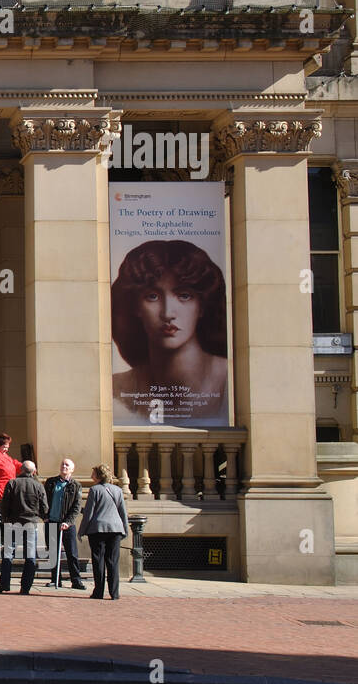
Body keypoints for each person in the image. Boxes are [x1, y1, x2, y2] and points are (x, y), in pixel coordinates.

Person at [111, 240, 228, 425]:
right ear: (136, 308)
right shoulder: (116, 390)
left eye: (184, 295)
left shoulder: (232, 382)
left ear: (202, 306)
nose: (167, 313)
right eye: (152, 296)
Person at [0, 460, 48, 595]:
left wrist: (5, 518)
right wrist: (42, 516)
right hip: (31, 523)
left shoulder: (12, 483)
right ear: (33, 472)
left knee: (8, 554)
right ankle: (26, 587)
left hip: (13, 522)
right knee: (30, 556)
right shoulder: (38, 486)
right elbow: (44, 506)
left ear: (20, 470)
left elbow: (4, 504)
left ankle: (4, 583)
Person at [78, 463, 130, 600]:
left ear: (98, 476)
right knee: (113, 561)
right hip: (115, 529)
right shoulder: (118, 490)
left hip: (97, 529)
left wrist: (82, 530)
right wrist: (125, 528)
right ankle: (114, 592)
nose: (91, 476)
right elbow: (122, 512)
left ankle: (99, 591)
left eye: (93, 473)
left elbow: (89, 513)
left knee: (98, 561)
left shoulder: (94, 490)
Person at [43, 458, 86, 590]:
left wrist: (68, 522)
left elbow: (77, 507)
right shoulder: (51, 482)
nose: (64, 466)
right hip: (51, 522)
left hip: (67, 525)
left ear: (72, 469)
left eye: (67, 465)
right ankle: (55, 579)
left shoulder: (76, 485)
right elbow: (43, 500)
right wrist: (45, 516)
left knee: (72, 553)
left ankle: (76, 580)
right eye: (62, 464)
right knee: (53, 553)